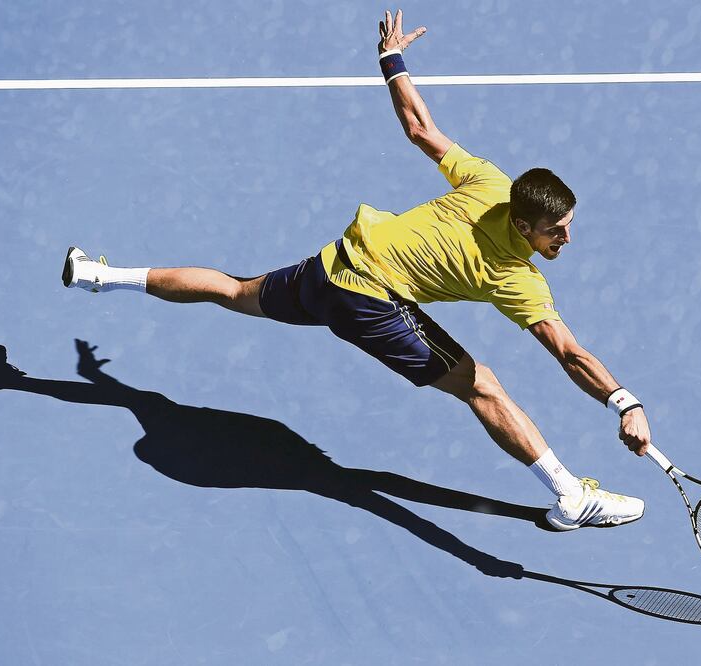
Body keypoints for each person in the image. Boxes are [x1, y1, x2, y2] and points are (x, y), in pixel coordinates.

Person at [62, 9, 652, 530]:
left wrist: (391, 59)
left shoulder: (491, 183)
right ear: (524, 226)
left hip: (332, 266)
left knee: (234, 291)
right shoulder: (517, 278)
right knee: (482, 388)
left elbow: (420, 128)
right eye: (557, 230)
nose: (567, 238)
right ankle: (571, 498)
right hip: (372, 301)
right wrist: (623, 402)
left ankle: (100, 276)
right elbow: (569, 353)